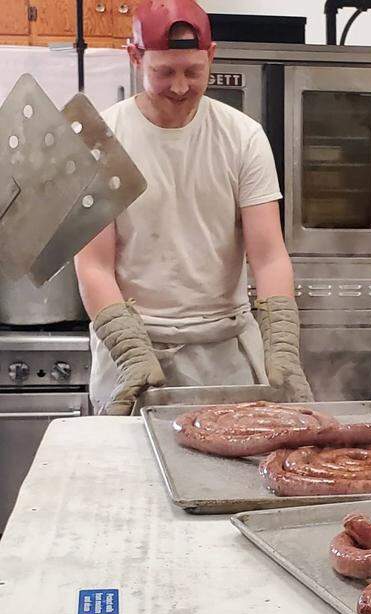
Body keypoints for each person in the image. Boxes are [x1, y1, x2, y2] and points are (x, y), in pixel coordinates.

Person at [74, 0, 312, 415]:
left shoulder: (242, 137)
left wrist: (284, 348)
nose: (181, 87)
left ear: (212, 56)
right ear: (136, 57)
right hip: (134, 355)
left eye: (193, 71)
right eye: (164, 72)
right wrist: (129, 349)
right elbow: (93, 263)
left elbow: (269, 255)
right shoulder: (102, 140)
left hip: (226, 355)